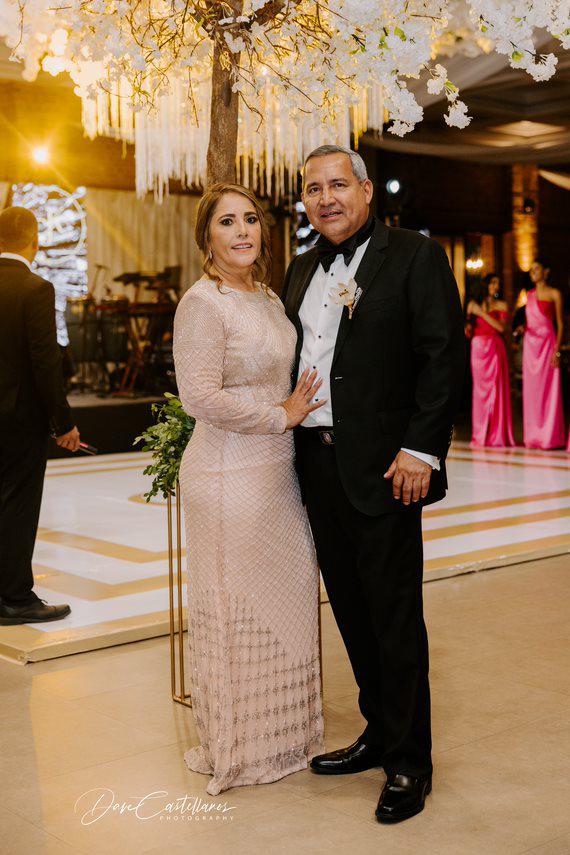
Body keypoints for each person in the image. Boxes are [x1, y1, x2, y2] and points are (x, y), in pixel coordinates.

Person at [281, 145, 466, 824]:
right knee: (352, 613)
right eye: (313, 188)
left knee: (393, 616)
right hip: (315, 463)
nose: (325, 197)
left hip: (389, 467)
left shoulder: (414, 255)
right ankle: (379, 731)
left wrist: (421, 449)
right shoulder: (300, 268)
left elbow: (442, 355)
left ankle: (410, 760)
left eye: (338, 184)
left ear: (365, 191)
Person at [173, 183, 325, 796]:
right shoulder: (202, 303)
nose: (242, 231)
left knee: (287, 600)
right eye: (227, 222)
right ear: (206, 235)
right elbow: (199, 397)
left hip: (277, 474)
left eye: (251, 220)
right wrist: (278, 416)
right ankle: (239, 746)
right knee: (236, 613)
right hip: (226, 475)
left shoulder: (267, 297)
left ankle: (285, 737)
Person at [0, 207, 79, 625]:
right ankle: (15, 598)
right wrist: (63, 423)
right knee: (18, 505)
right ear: (34, 242)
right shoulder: (36, 288)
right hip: (17, 420)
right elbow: (45, 363)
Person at [466, 273, 515, 447]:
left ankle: (496, 435)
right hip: (478, 349)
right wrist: (468, 326)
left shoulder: (501, 305)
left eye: (498, 283)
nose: (496, 286)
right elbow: (468, 330)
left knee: (497, 390)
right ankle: (480, 434)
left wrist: (482, 313)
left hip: (495, 348)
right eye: (493, 283)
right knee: (479, 393)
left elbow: (501, 328)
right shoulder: (472, 304)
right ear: (485, 285)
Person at [522, 259, 565, 449]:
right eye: (531, 270)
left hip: (548, 345)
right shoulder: (528, 295)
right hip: (530, 347)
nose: (533, 272)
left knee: (549, 389)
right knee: (532, 392)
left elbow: (560, 324)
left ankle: (549, 436)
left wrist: (557, 350)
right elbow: (530, 321)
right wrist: (523, 329)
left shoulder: (555, 294)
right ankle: (533, 436)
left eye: (537, 269)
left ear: (546, 272)